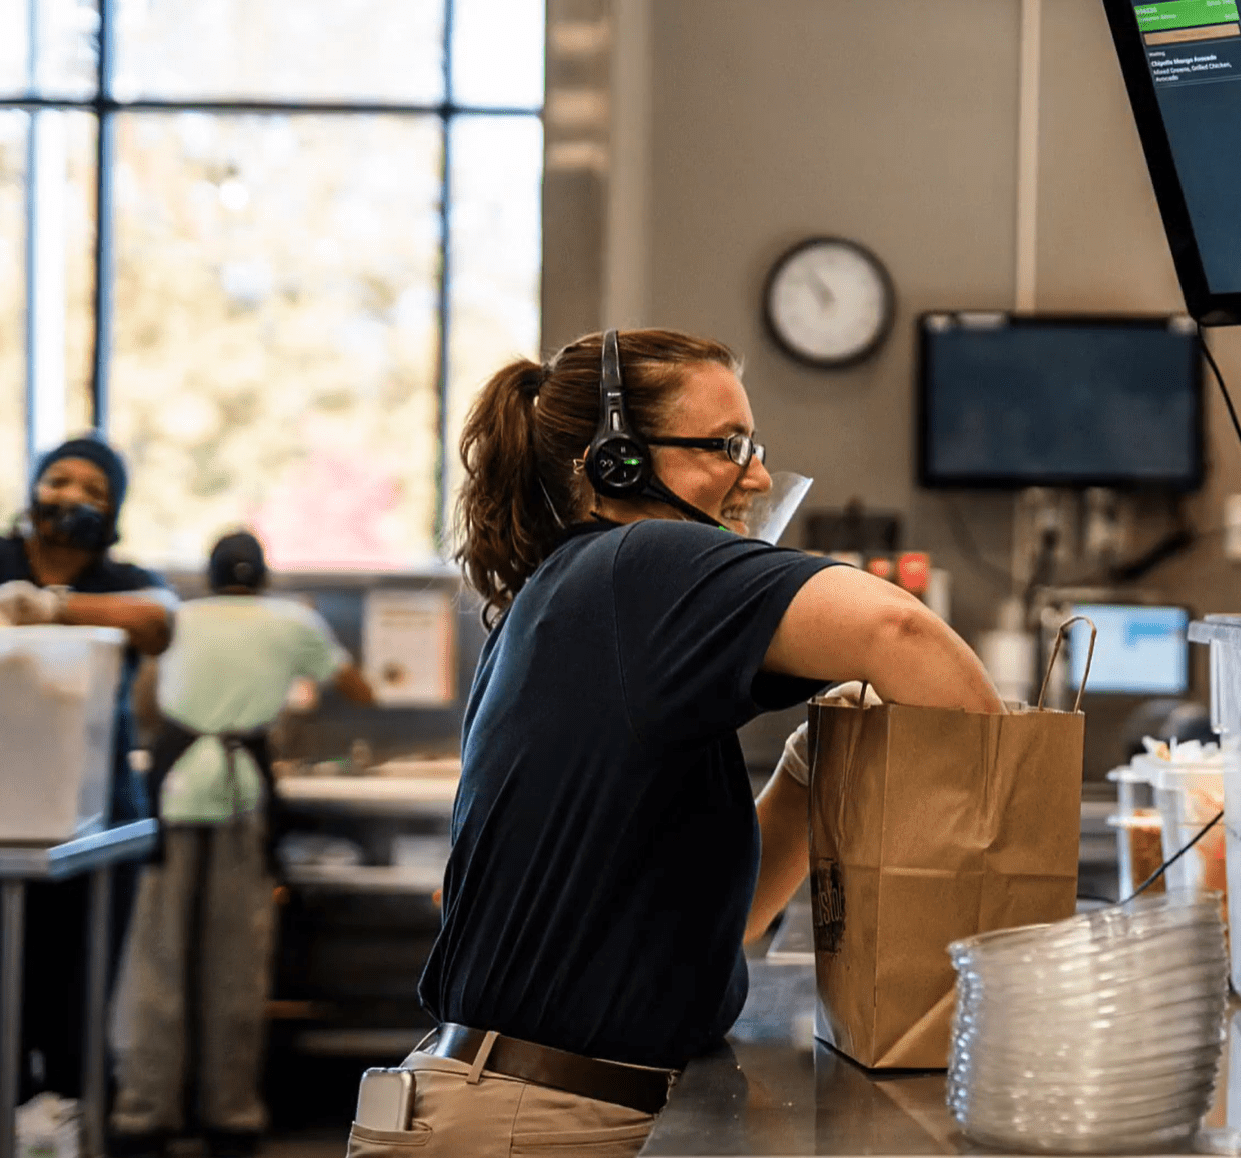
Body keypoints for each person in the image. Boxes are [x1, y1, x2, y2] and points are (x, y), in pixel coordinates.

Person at [345, 330, 1001, 1158]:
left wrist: (810, 771)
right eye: (727, 445)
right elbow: (902, 630)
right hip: (528, 1121)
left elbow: (703, 929)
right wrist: (1009, 814)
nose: (757, 475)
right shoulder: (640, 561)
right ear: (615, 461)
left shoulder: (578, 597)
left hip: (513, 1103)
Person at [108, 530, 375, 1157]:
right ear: (263, 578)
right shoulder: (293, 619)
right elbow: (360, 690)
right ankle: (230, 1115)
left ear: (209, 574)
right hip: (240, 794)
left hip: (171, 793)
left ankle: (145, 1114)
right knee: (235, 963)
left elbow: (148, 705)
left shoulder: (177, 615)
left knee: (159, 962)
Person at [0, 436, 177, 1104]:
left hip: (99, 816)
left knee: (76, 1004)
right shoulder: (3, 558)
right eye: (58, 480)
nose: (71, 497)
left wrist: (51, 606)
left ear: (113, 512)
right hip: (4, 818)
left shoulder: (125, 579)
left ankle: (78, 1121)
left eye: (92, 490)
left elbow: (160, 622)